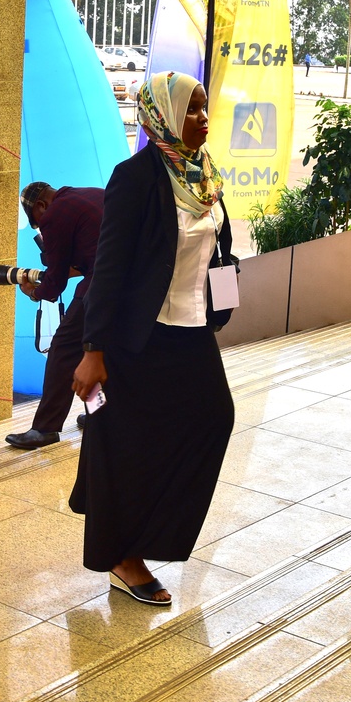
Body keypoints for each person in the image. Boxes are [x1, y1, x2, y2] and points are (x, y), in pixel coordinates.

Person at [70, 71, 237, 607]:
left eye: (204, 107)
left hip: (193, 327)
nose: (203, 118)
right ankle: (123, 555)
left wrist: (225, 291)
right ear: (161, 116)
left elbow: (217, 247)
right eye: (191, 109)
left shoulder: (204, 173)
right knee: (130, 445)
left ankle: (151, 534)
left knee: (214, 418)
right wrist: (93, 350)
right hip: (137, 337)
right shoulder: (135, 178)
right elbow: (109, 267)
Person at [4, 180, 104, 450]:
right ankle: (99, 414)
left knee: (64, 349)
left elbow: (56, 282)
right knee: (93, 350)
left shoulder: (55, 213)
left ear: (41, 206)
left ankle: (45, 429)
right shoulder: (91, 194)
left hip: (100, 286)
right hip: (133, 282)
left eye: (37, 222)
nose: (41, 227)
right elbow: (92, 253)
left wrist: (33, 291)